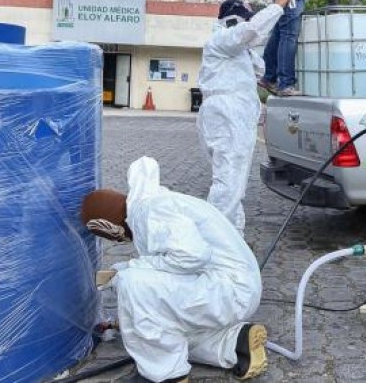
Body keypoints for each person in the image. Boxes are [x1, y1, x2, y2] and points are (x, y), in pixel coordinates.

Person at [81, 157, 268, 383]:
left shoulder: (150, 210)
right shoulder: (158, 203)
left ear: (109, 227)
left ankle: (164, 376)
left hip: (228, 289)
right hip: (232, 287)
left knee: (134, 283)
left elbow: (193, 255)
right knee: (169, 333)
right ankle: (236, 343)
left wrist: (131, 269)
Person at [197, 0, 290, 233]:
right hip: (228, 116)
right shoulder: (222, 39)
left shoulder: (237, 52)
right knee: (229, 183)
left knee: (232, 182)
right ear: (234, 20)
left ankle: (232, 238)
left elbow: (260, 66)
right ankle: (218, 243)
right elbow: (250, 31)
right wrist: (276, 7)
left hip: (231, 117)